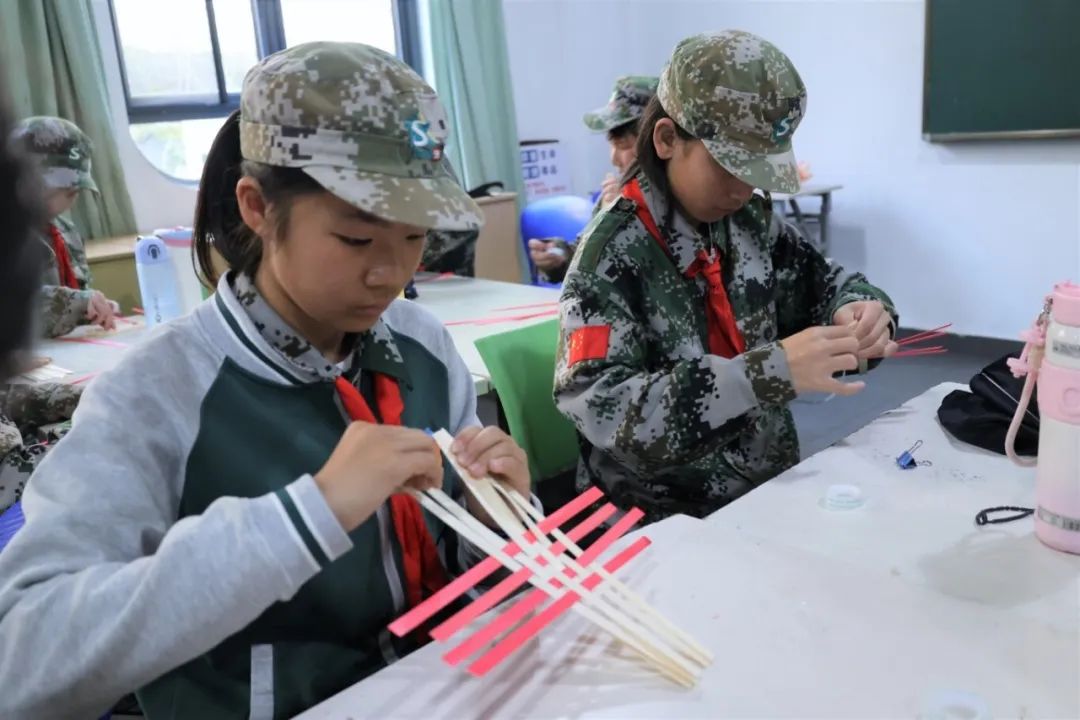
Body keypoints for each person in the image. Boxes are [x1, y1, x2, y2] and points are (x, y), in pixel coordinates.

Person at [0, 42, 532, 719]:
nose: (390, 274)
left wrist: (499, 524)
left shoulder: (420, 347)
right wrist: (309, 514)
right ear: (256, 206)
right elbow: (22, 659)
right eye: (356, 239)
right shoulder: (157, 391)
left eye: (414, 238)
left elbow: (458, 576)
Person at [554, 31, 898, 523]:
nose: (743, 188)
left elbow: (826, 283)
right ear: (667, 140)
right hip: (663, 518)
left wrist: (861, 309)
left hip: (767, 488)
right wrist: (765, 374)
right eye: (729, 166)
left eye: (758, 170)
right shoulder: (610, 257)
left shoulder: (745, 223)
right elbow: (606, 409)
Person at [529, 76, 658, 284]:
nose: (614, 159)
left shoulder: (688, 199)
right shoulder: (619, 193)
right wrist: (560, 257)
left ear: (659, 139)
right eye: (612, 144)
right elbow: (585, 254)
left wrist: (625, 220)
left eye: (623, 145)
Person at [11, 116, 119, 338]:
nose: (72, 196)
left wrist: (93, 308)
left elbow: (75, 294)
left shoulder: (65, 233)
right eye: (64, 189)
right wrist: (76, 303)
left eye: (73, 190)